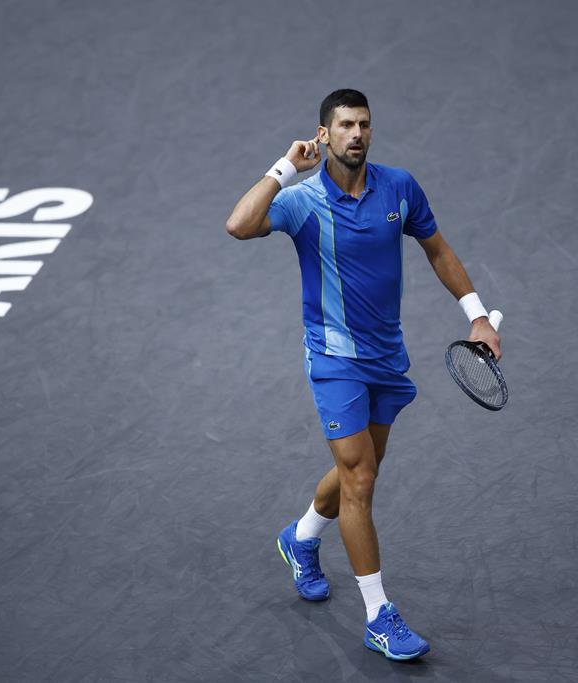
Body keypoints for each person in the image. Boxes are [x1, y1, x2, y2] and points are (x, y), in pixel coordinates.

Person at [224, 89, 502, 661]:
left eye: (365, 125)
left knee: (362, 469)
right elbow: (238, 224)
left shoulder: (399, 186)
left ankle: (300, 538)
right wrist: (283, 168)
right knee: (359, 481)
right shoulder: (302, 202)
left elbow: (438, 248)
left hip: (386, 358)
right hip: (334, 359)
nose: (357, 134)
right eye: (346, 125)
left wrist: (476, 314)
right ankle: (380, 615)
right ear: (323, 134)